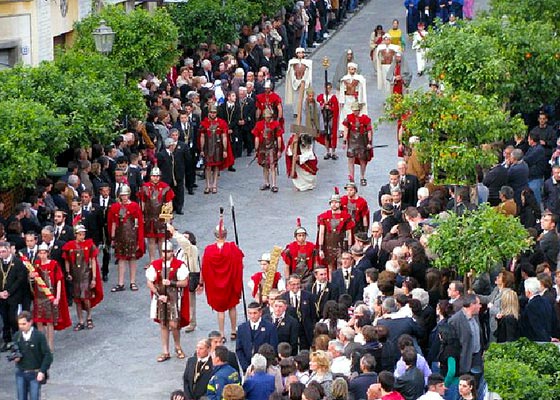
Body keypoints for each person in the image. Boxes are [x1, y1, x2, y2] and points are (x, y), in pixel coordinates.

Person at [202, 214, 244, 341]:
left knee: (220, 310)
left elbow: (205, 268)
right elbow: (240, 265)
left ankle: (221, 333)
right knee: (232, 306)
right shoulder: (232, 248)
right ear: (226, 234)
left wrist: (202, 283)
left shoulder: (209, 250)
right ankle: (233, 330)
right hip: (230, 283)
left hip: (216, 285)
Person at [146, 240, 190, 362]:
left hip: (175, 297)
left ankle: (177, 346)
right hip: (161, 297)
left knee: (174, 324)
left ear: (173, 252)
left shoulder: (179, 265)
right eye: (164, 251)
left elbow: (185, 282)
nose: (166, 254)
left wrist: (172, 283)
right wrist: (157, 294)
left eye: (169, 251)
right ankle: (165, 351)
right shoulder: (156, 265)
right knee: (163, 324)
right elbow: (149, 282)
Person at [62, 224, 103, 331]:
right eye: (80, 234)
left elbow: (93, 261)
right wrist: (67, 272)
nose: (82, 236)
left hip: (86, 275)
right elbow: (66, 260)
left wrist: (94, 277)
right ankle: (80, 320)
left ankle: (89, 317)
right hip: (75, 275)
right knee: (77, 299)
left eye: (83, 234)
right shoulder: (70, 246)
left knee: (86, 297)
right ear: (75, 234)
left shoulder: (89, 245)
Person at [30, 243, 72, 350]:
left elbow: (58, 280)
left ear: (48, 253)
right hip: (39, 297)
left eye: (44, 253)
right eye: (40, 253)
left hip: (50, 296)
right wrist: (31, 276)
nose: (42, 255)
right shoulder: (36, 264)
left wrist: (57, 297)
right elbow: (32, 280)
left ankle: (50, 346)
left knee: (49, 322)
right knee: (39, 321)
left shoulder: (54, 264)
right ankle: (42, 345)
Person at [107, 184, 145, 292]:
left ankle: (132, 282)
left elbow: (138, 224)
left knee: (132, 258)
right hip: (120, 236)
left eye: (126, 195)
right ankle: (120, 283)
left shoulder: (134, 206)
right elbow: (113, 222)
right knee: (121, 258)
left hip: (132, 236)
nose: (124, 197)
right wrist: (113, 238)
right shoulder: (115, 207)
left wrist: (138, 239)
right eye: (122, 195)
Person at [11, 311, 53, 400]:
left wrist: (42, 371)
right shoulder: (17, 336)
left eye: (24, 324)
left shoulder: (39, 336)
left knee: (34, 397)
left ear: (30, 322)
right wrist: (15, 357)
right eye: (19, 324)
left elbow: (47, 355)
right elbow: (14, 351)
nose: (21, 326)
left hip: (35, 373)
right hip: (21, 372)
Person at [168, 224, 201, 333]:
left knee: (190, 301)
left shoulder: (192, 249)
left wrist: (175, 233)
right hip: (178, 277)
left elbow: (186, 244)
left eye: (186, 237)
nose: (184, 239)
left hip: (189, 277)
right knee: (176, 300)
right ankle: (177, 320)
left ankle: (192, 322)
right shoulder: (178, 250)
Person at [138, 167, 175, 263]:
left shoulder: (166, 187)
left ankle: (162, 260)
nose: (155, 178)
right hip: (149, 217)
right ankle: (152, 261)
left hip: (161, 217)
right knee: (151, 240)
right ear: (150, 176)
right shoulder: (145, 187)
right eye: (154, 176)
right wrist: (141, 216)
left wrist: (169, 218)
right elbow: (142, 203)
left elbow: (169, 204)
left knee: (161, 240)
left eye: (157, 176)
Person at [317, 189, 355, 273]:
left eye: (336, 202)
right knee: (330, 268)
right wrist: (321, 249)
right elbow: (322, 233)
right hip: (328, 246)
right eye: (332, 202)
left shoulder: (346, 216)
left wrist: (349, 248)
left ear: (340, 204)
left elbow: (349, 233)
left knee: (341, 267)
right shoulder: (324, 216)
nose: (334, 204)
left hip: (341, 245)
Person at [199, 104, 234, 194]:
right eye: (211, 112)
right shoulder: (204, 123)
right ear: (209, 113)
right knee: (208, 167)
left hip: (218, 148)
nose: (213, 114)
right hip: (207, 148)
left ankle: (214, 185)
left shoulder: (221, 123)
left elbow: (224, 137)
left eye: (214, 112)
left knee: (216, 167)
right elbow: (202, 137)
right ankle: (208, 185)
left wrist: (225, 150)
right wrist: (202, 149)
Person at [0, 241, 27, 351]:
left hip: (14, 296)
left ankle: (16, 341)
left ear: (9, 250)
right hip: (1, 296)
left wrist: (9, 292)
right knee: (5, 320)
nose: (1, 254)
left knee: (13, 319)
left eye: (3, 251)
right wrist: (1, 293)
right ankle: (7, 341)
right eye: (0, 252)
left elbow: (20, 279)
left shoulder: (17, 262)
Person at [236, 302, 279, 371]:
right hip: (247, 367)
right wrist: (245, 367)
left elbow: (273, 347)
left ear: (260, 312)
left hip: (265, 367)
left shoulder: (270, 327)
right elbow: (239, 349)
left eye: (255, 313)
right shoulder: (241, 328)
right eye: (250, 313)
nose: (252, 316)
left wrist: (266, 365)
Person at [448, 294, 482, 375]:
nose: (480, 306)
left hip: (476, 358)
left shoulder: (475, 317)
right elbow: (452, 344)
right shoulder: (455, 320)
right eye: (478, 304)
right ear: (472, 305)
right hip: (464, 361)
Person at [252, 108, 284, 192]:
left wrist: (279, 150)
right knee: (265, 166)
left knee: (273, 166)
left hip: (272, 148)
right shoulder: (259, 125)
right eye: (267, 117)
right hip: (262, 148)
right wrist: (256, 149)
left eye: (269, 117)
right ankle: (266, 183)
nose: (268, 119)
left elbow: (279, 137)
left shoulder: (275, 124)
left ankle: (274, 184)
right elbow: (257, 137)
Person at [342, 102, 374, 186]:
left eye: (356, 110)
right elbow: (346, 129)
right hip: (352, 142)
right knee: (351, 159)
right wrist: (344, 141)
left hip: (362, 142)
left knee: (362, 160)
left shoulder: (365, 119)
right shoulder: (349, 118)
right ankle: (351, 178)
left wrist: (369, 142)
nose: (355, 112)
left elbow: (369, 131)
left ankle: (362, 177)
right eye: (354, 110)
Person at [519, 277, 558, 342]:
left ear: (528, 292)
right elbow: (554, 321)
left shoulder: (530, 306)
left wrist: (548, 339)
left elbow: (536, 326)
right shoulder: (546, 301)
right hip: (550, 338)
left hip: (537, 342)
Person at [338, 62, 368, 134]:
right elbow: (342, 90)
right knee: (345, 114)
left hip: (355, 99)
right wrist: (341, 100)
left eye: (354, 69)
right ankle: (344, 130)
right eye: (351, 69)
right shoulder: (344, 79)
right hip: (347, 98)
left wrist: (361, 100)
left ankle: (356, 128)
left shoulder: (359, 78)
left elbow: (361, 89)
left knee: (356, 113)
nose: (352, 71)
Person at [285, 48, 313, 118]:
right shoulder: (292, 62)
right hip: (296, 81)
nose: (300, 54)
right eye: (299, 53)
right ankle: (296, 111)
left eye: (302, 53)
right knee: (296, 97)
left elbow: (308, 73)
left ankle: (304, 110)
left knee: (304, 97)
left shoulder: (307, 62)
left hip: (304, 81)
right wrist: (295, 81)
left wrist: (304, 81)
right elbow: (291, 72)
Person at [317, 82, 340, 160]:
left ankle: (333, 152)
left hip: (331, 118)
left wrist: (330, 108)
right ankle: (327, 151)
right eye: (327, 88)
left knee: (332, 135)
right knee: (326, 135)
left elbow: (336, 109)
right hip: (324, 118)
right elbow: (317, 107)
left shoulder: (333, 98)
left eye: (329, 88)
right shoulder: (321, 97)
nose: (328, 90)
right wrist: (323, 105)